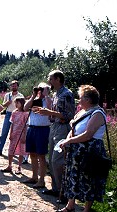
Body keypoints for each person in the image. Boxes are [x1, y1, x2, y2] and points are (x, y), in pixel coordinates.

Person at [55, 85, 107, 212]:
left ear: (89, 99)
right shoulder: (83, 112)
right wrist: (67, 141)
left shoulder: (98, 113)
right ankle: (70, 206)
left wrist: (70, 141)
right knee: (73, 177)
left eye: (81, 97)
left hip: (90, 152)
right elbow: (74, 129)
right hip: (76, 150)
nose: (79, 100)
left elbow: (88, 134)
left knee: (89, 180)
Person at [36, 70, 75, 202]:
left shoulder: (67, 94)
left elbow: (69, 115)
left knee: (57, 160)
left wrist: (50, 112)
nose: (49, 81)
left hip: (63, 128)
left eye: (51, 79)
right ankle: (55, 189)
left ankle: (63, 191)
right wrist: (46, 112)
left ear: (58, 79)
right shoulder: (56, 94)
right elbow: (55, 113)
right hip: (54, 127)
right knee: (51, 158)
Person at [23, 82, 52, 188]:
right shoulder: (34, 100)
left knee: (41, 155)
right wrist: (33, 95)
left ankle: (42, 180)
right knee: (32, 154)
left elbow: (50, 108)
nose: (41, 91)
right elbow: (25, 108)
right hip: (32, 128)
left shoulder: (48, 100)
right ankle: (34, 176)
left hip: (43, 129)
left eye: (43, 89)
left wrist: (46, 94)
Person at [0, 80, 24, 156]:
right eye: (12, 85)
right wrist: (7, 103)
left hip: (17, 114)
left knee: (15, 134)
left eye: (15, 85)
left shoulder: (21, 96)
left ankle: (13, 151)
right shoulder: (7, 95)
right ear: (10, 86)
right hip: (8, 114)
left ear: (17, 86)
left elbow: (23, 106)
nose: (14, 86)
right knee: (4, 132)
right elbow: (3, 105)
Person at [1, 97, 28, 175]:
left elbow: (26, 126)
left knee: (21, 151)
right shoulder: (14, 113)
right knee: (11, 150)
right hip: (14, 133)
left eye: (18, 103)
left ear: (22, 104)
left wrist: (24, 136)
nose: (16, 104)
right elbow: (12, 124)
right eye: (15, 103)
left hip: (21, 134)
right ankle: (9, 165)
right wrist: (11, 133)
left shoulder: (25, 114)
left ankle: (19, 167)